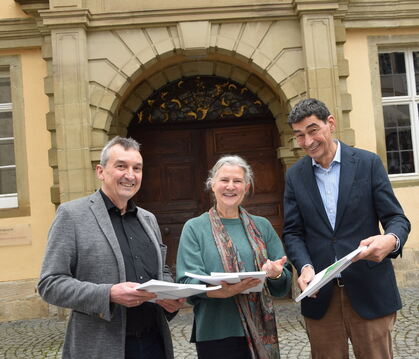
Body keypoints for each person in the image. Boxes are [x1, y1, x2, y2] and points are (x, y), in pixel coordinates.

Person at [283, 98, 411, 358]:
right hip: (321, 296)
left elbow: (397, 219)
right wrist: (305, 266)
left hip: (369, 289)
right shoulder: (295, 176)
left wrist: (391, 241)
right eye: (299, 135)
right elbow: (293, 232)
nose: (307, 142)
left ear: (331, 123)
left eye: (312, 130)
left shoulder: (368, 163)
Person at [38, 136, 185, 359]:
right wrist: (108, 294)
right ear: (100, 171)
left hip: (155, 343)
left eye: (137, 168)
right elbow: (50, 284)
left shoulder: (148, 219)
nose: (130, 175)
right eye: (121, 166)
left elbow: (161, 271)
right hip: (101, 346)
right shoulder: (72, 215)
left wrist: (170, 294)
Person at [176, 155, 292, 359]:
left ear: (246, 187)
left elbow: (283, 283)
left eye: (237, 181)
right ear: (212, 185)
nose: (230, 186)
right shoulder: (194, 228)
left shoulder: (262, 226)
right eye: (224, 180)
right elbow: (187, 280)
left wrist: (275, 274)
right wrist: (220, 291)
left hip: (261, 329)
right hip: (216, 330)